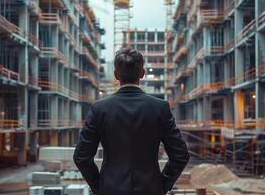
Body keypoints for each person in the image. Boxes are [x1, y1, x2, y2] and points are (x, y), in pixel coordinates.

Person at [73, 48, 190, 195]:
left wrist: (100, 186)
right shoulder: (160, 108)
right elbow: (181, 155)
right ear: (142, 73)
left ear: (116, 75)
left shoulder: (100, 109)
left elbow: (81, 157)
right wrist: (162, 185)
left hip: (111, 189)